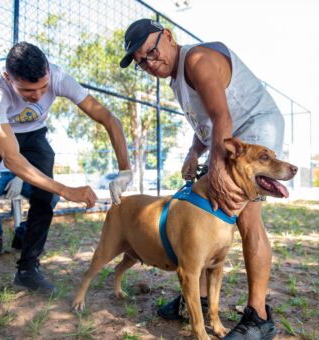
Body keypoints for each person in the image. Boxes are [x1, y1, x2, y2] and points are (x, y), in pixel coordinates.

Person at [119, 19, 285, 339]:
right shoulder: (175, 78)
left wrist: (218, 168)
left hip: (253, 129)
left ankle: (259, 318)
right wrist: (194, 152)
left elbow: (222, 116)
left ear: (167, 36)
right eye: (141, 62)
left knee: (246, 217)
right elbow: (208, 123)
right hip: (227, 136)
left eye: (151, 52)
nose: (150, 63)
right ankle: (197, 296)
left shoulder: (196, 60)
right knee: (203, 210)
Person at [0, 41, 133, 316]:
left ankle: (28, 268)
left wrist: (125, 169)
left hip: (34, 133)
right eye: (28, 90)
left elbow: (107, 117)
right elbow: (11, 158)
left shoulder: (58, 77)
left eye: (43, 88)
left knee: (46, 196)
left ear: (48, 73)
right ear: (9, 78)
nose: (38, 95)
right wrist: (67, 189)